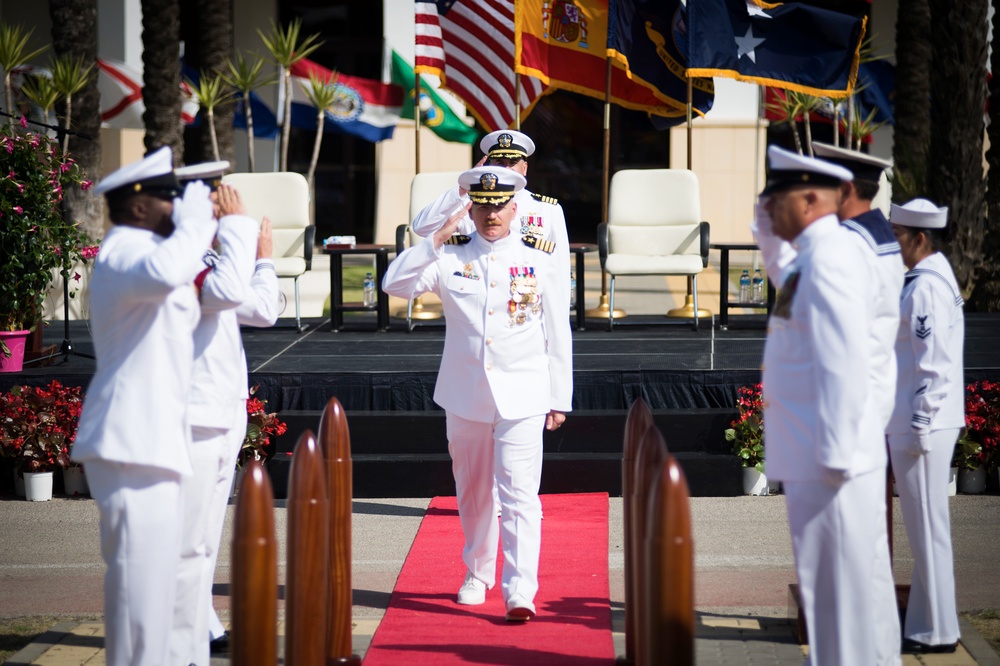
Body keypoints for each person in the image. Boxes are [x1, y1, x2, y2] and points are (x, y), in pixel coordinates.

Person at [382, 166, 573, 622]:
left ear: (515, 207)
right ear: (473, 206)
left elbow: (556, 328)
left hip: (524, 391)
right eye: (483, 204)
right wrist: (434, 240)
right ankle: (478, 571)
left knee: (520, 493)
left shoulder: (539, 255)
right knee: (472, 492)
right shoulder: (449, 256)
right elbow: (394, 285)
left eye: (500, 204)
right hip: (465, 392)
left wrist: (559, 396)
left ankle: (520, 589)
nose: (492, 214)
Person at [71, 146, 218, 666]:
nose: (177, 209)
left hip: (153, 441)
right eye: (168, 199)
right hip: (131, 442)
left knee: (154, 586)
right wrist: (196, 224)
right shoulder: (125, 251)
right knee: (139, 588)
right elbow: (165, 272)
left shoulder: (148, 252)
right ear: (137, 207)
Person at [754, 145, 898, 665]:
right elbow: (777, 262)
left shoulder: (832, 258)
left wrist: (836, 456)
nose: (769, 207)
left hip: (830, 459)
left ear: (812, 198)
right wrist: (763, 217)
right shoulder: (813, 255)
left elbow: (846, 361)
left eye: (778, 198)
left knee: (841, 597)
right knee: (832, 594)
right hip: (820, 454)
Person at [167, 162, 280, 664]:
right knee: (187, 534)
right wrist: (238, 232)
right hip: (192, 409)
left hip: (222, 404)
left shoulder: (211, 254)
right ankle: (178, 636)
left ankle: (199, 621)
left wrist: (264, 260)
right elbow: (231, 294)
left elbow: (263, 310)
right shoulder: (175, 255)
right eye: (213, 197)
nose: (222, 204)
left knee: (207, 529)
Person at [887, 198, 964, 655]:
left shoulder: (924, 288)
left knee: (928, 530)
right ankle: (925, 624)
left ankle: (939, 631)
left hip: (923, 424)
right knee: (925, 530)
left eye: (897, 234)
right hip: (923, 420)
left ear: (918, 238)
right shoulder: (931, 277)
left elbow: (933, 365)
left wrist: (918, 424)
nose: (891, 242)